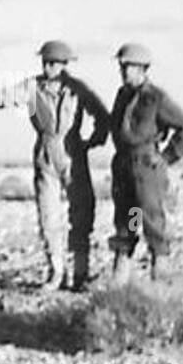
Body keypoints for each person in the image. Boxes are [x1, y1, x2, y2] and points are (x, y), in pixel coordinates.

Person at [26, 40, 111, 291]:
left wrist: (93, 141)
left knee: (82, 212)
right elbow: (1, 96)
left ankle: (81, 272)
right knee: (48, 215)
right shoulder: (31, 88)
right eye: (46, 62)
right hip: (45, 152)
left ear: (65, 64)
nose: (50, 67)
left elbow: (102, 116)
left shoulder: (77, 89)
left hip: (72, 152)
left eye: (55, 62)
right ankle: (56, 272)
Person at [108, 43, 183, 283]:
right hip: (124, 165)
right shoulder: (122, 95)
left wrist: (166, 157)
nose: (125, 71)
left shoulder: (155, 98)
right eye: (123, 66)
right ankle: (121, 279)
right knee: (129, 217)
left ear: (143, 69)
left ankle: (160, 278)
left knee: (152, 219)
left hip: (146, 169)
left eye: (131, 67)